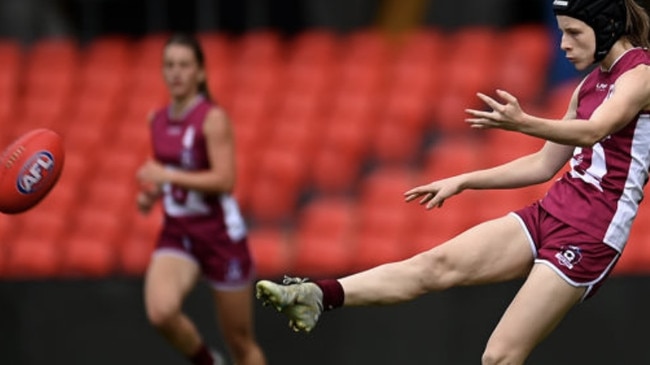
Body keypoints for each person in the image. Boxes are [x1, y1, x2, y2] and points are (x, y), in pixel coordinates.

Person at [255, 0, 650, 364]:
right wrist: (464, 180)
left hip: (590, 233)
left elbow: (594, 131)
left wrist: (522, 122)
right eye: (561, 32)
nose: (563, 43)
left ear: (607, 27)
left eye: (574, 33)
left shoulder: (641, 75)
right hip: (552, 211)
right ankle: (317, 295)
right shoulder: (589, 85)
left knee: (499, 357)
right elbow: (544, 165)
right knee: (434, 265)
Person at [136, 33, 267, 365]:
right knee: (160, 312)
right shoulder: (158, 120)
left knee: (240, 341)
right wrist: (153, 194)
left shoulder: (212, 119)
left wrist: (167, 177)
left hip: (219, 235)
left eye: (184, 65)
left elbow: (224, 180)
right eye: (169, 65)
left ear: (200, 73)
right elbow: (174, 172)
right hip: (179, 231)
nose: (176, 73)